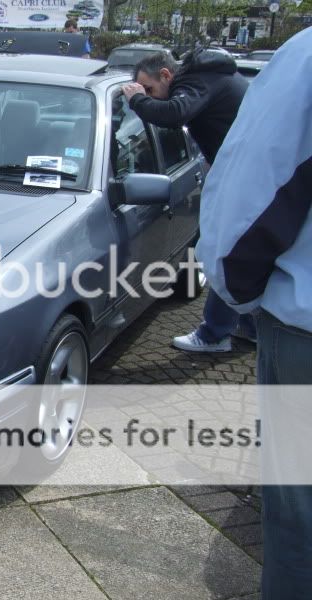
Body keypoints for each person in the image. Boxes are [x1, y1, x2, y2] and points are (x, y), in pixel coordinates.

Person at [195, 26, 312, 600]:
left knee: (300, 510)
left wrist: (235, 303)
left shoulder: (307, 55)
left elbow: (252, 189)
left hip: (306, 327)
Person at [122, 49, 252, 353]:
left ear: (167, 75)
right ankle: (249, 326)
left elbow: (174, 114)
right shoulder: (209, 77)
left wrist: (137, 100)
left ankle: (215, 335)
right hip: (243, 172)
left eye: (151, 90)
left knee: (224, 253)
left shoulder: (196, 82)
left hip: (243, 177)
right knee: (239, 253)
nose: (151, 97)